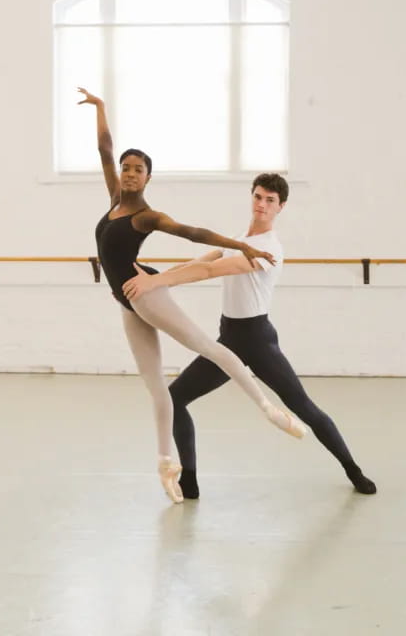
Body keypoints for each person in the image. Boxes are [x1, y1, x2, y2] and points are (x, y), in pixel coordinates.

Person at [79, 88, 306, 504]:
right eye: (127, 168)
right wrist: (101, 108)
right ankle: (167, 462)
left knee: (205, 346)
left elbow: (194, 233)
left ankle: (268, 408)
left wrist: (243, 247)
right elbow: (104, 148)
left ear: (148, 177)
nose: (129, 173)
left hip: (145, 291)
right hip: (126, 300)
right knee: (155, 386)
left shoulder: (147, 216)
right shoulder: (114, 201)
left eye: (138, 170)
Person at [122, 173, 377, 497]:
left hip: (258, 342)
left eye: (270, 200)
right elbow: (201, 260)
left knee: (304, 407)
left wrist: (157, 283)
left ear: (280, 207)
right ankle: (190, 479)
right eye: (258, 197)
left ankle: (353, 470)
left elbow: (210, 271)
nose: (262, 204)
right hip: (229, 338)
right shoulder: (239, 239)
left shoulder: (268, 249)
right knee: (175, 398)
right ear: (252, 197)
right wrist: (156, 276)